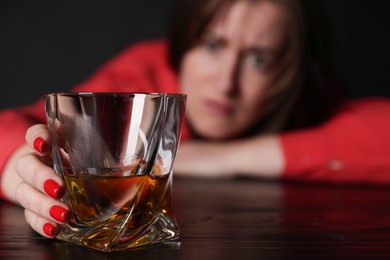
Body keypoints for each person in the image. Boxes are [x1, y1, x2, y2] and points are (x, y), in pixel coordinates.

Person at [1, 0, 390, 238]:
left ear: (289, 76)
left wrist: (222, 158)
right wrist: (15, 165)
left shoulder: (308, 100)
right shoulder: (142, 79)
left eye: (259, 59)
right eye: (212, 45)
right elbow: (16, 126)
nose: (226, 82)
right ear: (183, 43)